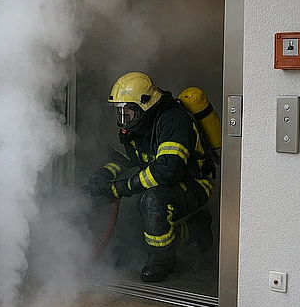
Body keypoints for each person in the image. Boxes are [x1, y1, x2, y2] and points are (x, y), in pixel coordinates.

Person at [86, 71, 216, 283]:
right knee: (142, 226)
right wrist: (104, 175)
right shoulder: (140, 126)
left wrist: (118, 188)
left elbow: (167, 170)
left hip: (195, 184)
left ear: (144, 105)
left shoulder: (173, 121)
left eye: (126, 111)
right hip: (167, 185)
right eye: (119, 112)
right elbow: (128, 158)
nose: (123, 118)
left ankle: (162, 261)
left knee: (152, 203)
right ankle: (196, 229)